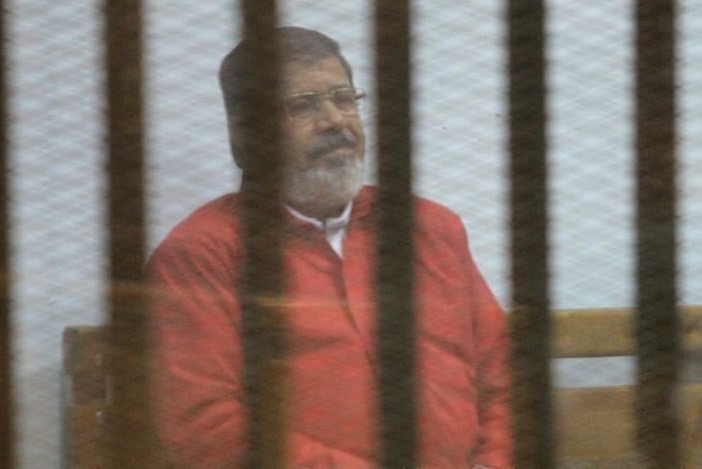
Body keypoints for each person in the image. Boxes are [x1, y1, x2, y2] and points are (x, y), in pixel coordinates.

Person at [147, 26, 511, 468]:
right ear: (244, 134)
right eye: (302, 106)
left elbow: (507, 377)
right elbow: (205, 426)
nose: (335, 121)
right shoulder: (201, 256)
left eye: (344, 99)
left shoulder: (429, 228)